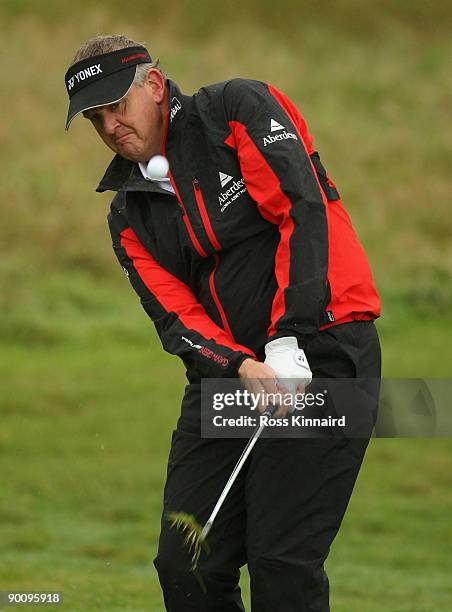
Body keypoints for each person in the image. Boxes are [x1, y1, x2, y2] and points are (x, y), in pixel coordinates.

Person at [65, 34, 381, 611]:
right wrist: (241, 365)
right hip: (231, 381)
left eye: (118, 106)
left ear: (156, 87)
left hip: (326, 352)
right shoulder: (128, 216)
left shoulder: (237, 111)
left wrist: (288, 337)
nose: (111, 127)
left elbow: (301, 208)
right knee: (185, 563)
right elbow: (176, 320)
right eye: (96, 118)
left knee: (281, 562)